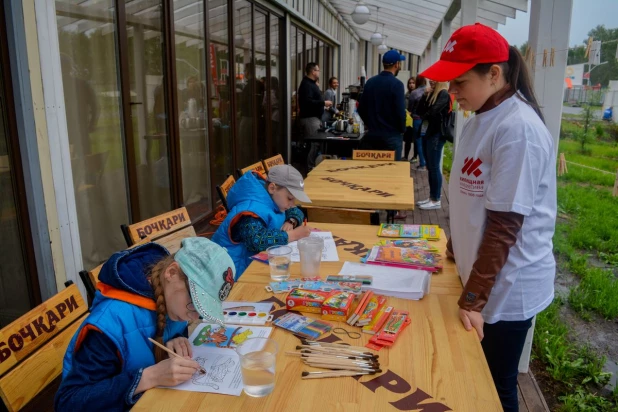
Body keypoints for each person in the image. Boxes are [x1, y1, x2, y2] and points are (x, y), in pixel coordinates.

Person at [419, 23, 556, 412]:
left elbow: (504, 226)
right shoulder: (482, 117)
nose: (452, 93)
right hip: (482, 273)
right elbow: (471, 200)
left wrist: (474, 300)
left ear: (494, 73)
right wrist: (456, 246)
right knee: (474, 380)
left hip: (507, 286)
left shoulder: (518, 129)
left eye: (460, 82)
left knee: (493, 389)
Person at [55, 238, 236, 411]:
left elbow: (162, 330)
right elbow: (70, 401)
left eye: (202, 309)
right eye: (194, 304)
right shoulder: (111, 324)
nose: (194, 315)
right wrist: (148, 377)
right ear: (171, 273)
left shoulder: (171, 297)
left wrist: (174, 340)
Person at [212, 164, 312, 278]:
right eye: (290, 198)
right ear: (272, 188)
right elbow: (256, 241)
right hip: (232, 274)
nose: (292, 204)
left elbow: (295, 210)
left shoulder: (274, 199)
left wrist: (291, 221)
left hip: (255, 264)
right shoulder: (251, 210)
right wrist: (292, 235)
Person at [358, 50, 406, 160]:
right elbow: (400, 112)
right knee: (392, 172)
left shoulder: (370, 82)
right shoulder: (397, 85)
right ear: (396, 64)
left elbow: (361, 109)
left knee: (374, 171)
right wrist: (402, 129)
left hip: (372, 136)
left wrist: (371, 124)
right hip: (392, 137)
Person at [416, 81, 450, 210]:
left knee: (434, 166)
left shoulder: (443, 94)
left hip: (436, 134)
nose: (431, 81)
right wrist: (424, 95)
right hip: (427, 133)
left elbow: (433, 112)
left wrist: (425, 114)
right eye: (430, 79)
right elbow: (419, 111)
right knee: (430, 166)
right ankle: (431, 197)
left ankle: (436, 199)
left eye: (434, 79)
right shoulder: (431, 94)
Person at [298, 63, 332, 169]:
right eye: (318, 70)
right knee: (314, 144)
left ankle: (310, 166)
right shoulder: (307, 84)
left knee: (315, 144)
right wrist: (323, 103)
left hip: (313, 118)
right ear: (313, 72)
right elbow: (307, 102)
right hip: (310, 119)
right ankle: (310, 168)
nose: (319, 72)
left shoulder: (311, 84)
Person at [408, 75, 428, 169]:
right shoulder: (429, 91)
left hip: (416, 119)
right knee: (425, 140)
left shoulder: (414, 93)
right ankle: (427, 162)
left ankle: (422, 163)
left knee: (418, 141)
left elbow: (410, 108)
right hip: (427, 120)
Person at [403, 77, 416, 161]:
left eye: (413, 83)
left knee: (416, 140)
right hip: (408, 120)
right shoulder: (406, 95)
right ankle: (406, 156)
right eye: (410, 83)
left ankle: (415, 156)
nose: (411, 85)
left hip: (415, 119)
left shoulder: (418, 94)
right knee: (407, 139)